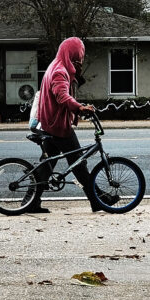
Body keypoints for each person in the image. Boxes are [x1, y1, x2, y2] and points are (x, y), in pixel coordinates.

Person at [29, 37, 100, 213]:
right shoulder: (60, 71)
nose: (80, 60)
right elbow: (62, 96)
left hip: (49, 123)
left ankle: (30, 202)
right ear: (73, 53)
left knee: (46, 166)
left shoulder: (57, 65)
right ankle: (98, 199)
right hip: (58, 125)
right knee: (79, 163)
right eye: (79, 55)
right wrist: (80, 108)